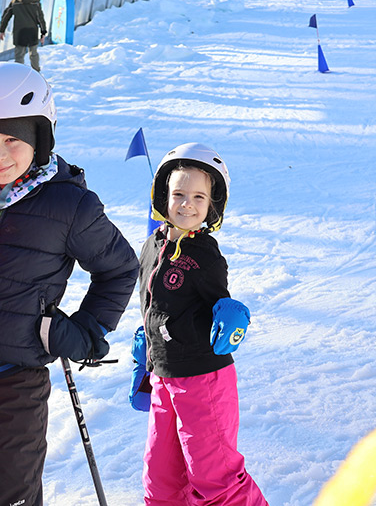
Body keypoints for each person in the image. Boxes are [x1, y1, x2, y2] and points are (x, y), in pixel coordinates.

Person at [0, 61, 138, 506]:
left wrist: (87, 330)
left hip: (11, 391)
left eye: (12, 140)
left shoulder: (69, 206)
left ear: (39, 138)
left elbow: (120, 269)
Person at [130, 143, 268, 506]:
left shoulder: (205, 254)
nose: (186, 204)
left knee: (214, 477)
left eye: (198, 197)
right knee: (161, 479)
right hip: (164, 377)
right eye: (178, 194)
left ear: (211, 205)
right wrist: (146, 350)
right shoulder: (150, 247)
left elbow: (220, 304)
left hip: (203, 380)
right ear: (163, 196)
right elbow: (151, 303)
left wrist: (231, 316)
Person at [0, 0, 48, 72]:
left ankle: (19, 73)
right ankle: (36, 72)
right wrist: (43, 32)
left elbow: (6, 16)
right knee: (33, 54)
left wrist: (2, 30)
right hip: (32, 31)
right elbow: (40, 18)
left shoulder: (15, 2)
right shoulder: (36, 2)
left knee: (19, 55)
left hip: (19, 32)